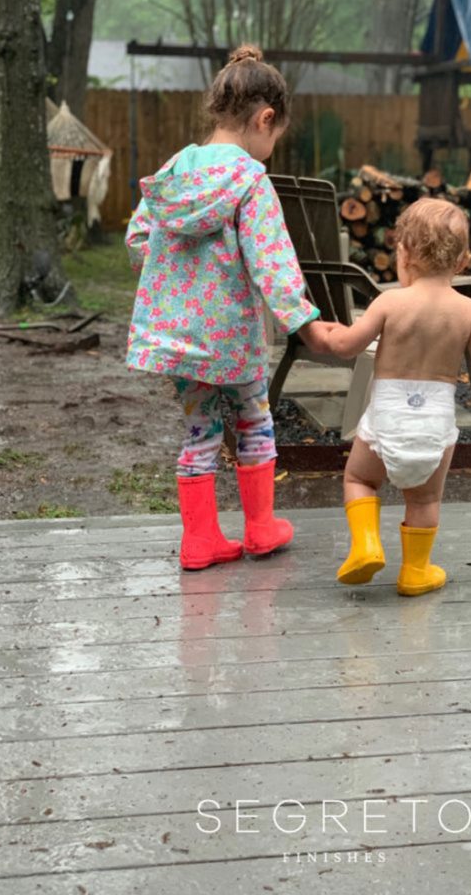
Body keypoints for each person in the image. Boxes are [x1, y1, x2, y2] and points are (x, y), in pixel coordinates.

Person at [125, 44, 332, 571]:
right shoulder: (249, 181)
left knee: (199, 431)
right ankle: (260, 528)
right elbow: (273, 262)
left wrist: (176, 278)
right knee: (254, 421)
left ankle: (199, 542)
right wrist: (303, 320)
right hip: (231, 339)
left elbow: (136, 239)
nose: (271, 149)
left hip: (179, 339)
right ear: (265, 119)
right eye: (275, 137)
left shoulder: (174, 172)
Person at [325, 197, 471, 597]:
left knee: (359, 478)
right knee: (424, 500)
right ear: (464, 261)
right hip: (434, 421)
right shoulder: (468, 311)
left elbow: (349, 346)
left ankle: (367, 544)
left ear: (404, 253)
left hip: (386, 416)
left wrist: (332, 334)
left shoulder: (390, 302)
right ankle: (415, 571)